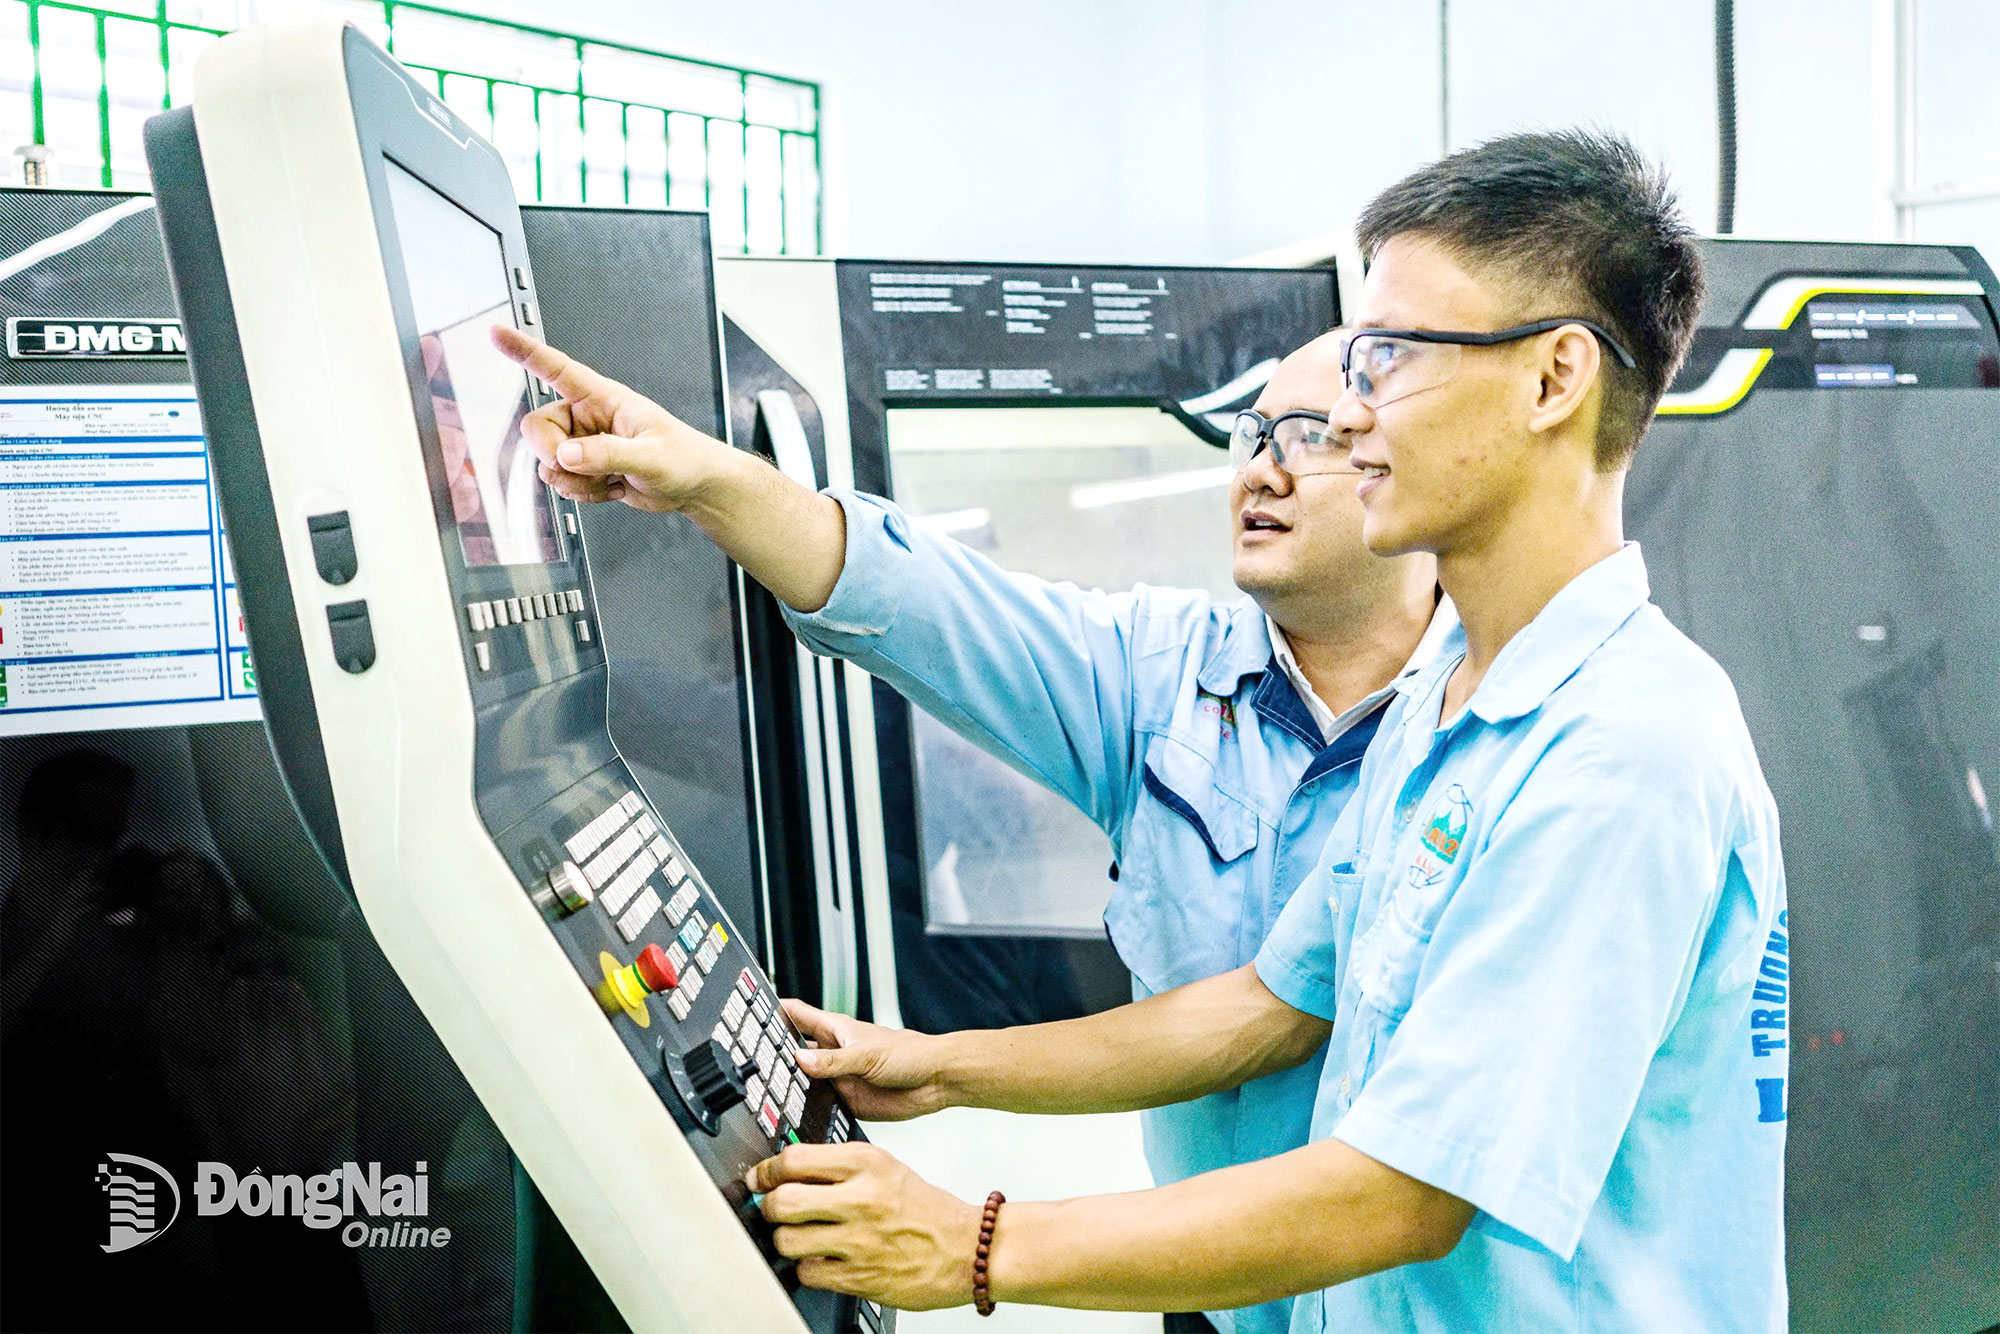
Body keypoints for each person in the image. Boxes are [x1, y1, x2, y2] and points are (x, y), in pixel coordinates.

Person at [725, 128, 1784, 1330]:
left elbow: (1402, 1192)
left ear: (1553, 379)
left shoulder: (1618, 755)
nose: (1356, 412)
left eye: (1390, 359)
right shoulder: (1449, 705)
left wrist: (970, 1243)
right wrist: (943, 1064)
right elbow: (1269, 1005)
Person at [498, 299, 1440, 1334]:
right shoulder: (1164, 677)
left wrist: (974, 1237)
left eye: (1303, 437)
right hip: (1204, 1299)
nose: (1256, 469)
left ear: (1412, 468)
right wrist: (708, 477)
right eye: (1248, 435)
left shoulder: (1487, 731)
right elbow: (916, 601)